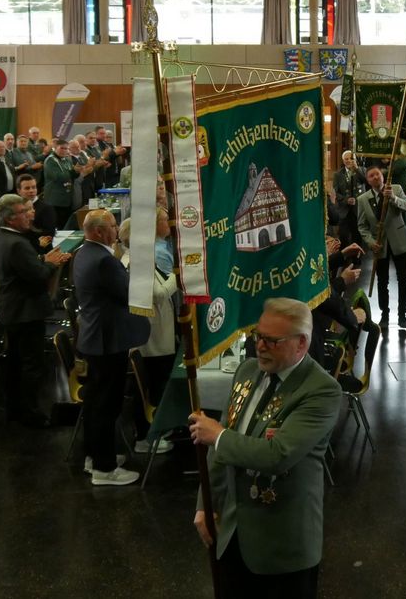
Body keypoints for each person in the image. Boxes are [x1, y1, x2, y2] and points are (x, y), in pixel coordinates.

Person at [189, 298, 342, 598]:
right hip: (233, 534)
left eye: (272, 341)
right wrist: (205, 504)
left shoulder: (321, 390)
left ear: (301, 344)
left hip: (282, 548)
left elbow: (277, 455)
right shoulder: (247, 372)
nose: (260, 346)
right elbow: (220, 448)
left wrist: (218, 436)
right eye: (258, 336)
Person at [74, 209, 150, 484]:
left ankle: (95, 456)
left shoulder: (84, 254)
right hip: (108, 340)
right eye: (113, 226)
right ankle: (104, 470)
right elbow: (128, 291)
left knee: (95, 403)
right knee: (106, 405)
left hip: (95, 338)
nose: (117, 230)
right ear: (97, 232)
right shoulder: (104, 261)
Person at [0, 193, 71, 428]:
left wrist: (42, 260)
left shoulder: (2, 238)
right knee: (31, 364)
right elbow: (37, 276)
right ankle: (31, 413)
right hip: (25, 311)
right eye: (24, 212)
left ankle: (16, 409)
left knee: (15, 362)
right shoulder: (16, 243)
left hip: (13, 310)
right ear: (10, 218)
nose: (29, 215)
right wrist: (51, 263)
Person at [117, 211, 178, 454]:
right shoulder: (136, 262)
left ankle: (158, 430)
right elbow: (160, 293)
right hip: (150, 336)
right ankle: (146, 437)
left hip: (157, 331)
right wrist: (178, 275)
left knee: (157, 383)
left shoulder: (140, 258)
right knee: (151, 386)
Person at [356, 166, 406, 330]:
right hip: (380, 245)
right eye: (371, 176)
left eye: (377, 174)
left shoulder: (396, 189)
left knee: (403, 280)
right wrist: (371, 242)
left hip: (399, 241)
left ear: (383, 176)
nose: (375, 177)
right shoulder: (363, 199)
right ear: (368, 180)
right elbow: (362, 226)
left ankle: (402, 315)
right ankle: (384, 315)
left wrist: (393, 198)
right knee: (382, 281)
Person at [16, 174, 56, 251]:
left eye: (34, 187)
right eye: (27, 188)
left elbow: (49, 234)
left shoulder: (47, 208)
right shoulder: (15, 208)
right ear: (18, 191)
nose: (31, 191)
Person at [42, 138, 75, 229]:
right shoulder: (50, 160)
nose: (64, 150)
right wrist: (73, 171)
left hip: (67, 198)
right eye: (62, 148)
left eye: (66, 148)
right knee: (57, 226)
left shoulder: (67, 160)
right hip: (55, 199)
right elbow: (57, 176)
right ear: (55, 148)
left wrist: (79, 171)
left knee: (66, 225)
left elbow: (72, 175)